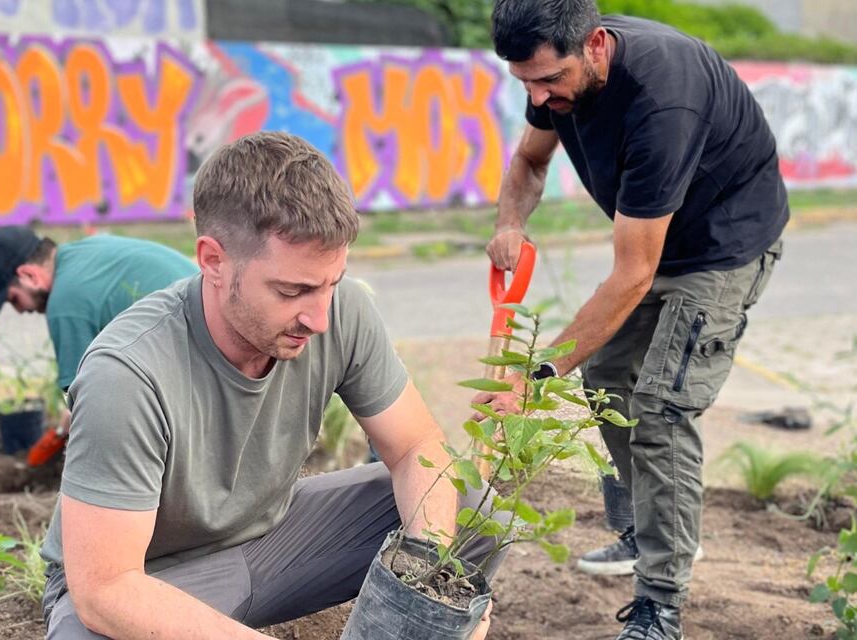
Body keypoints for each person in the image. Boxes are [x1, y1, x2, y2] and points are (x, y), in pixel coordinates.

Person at [39, 131, 500, 639]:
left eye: (331, 283)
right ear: (213, 261)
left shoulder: (340, 311)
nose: (319, 317)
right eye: (292, 290)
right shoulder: (127, 374)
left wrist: (427, 582)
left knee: (464, 507)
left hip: (275, 539)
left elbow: (416, 447)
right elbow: (105, 589)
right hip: (154, 577)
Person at [485, 1, 788, 638]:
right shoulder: (555, 77)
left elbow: (631, 276)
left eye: (550, 80)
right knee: (605, 379)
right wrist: (510, 222)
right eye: (525, 83)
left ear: (594, 44)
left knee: (661, 410)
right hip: (657, 243)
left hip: (723, 247)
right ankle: (644, 527)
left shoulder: (662, 102)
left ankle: (660, 607)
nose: (538, 98)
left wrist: (535, 378)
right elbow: (530, 161)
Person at [0, 227, 198, 461]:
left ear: (29, 275)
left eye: (13, 299)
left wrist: (63, 443)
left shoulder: (65, 302)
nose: (20, 310)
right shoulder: (83, 252)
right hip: (202, 326)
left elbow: (88, 407)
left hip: (194, 361)